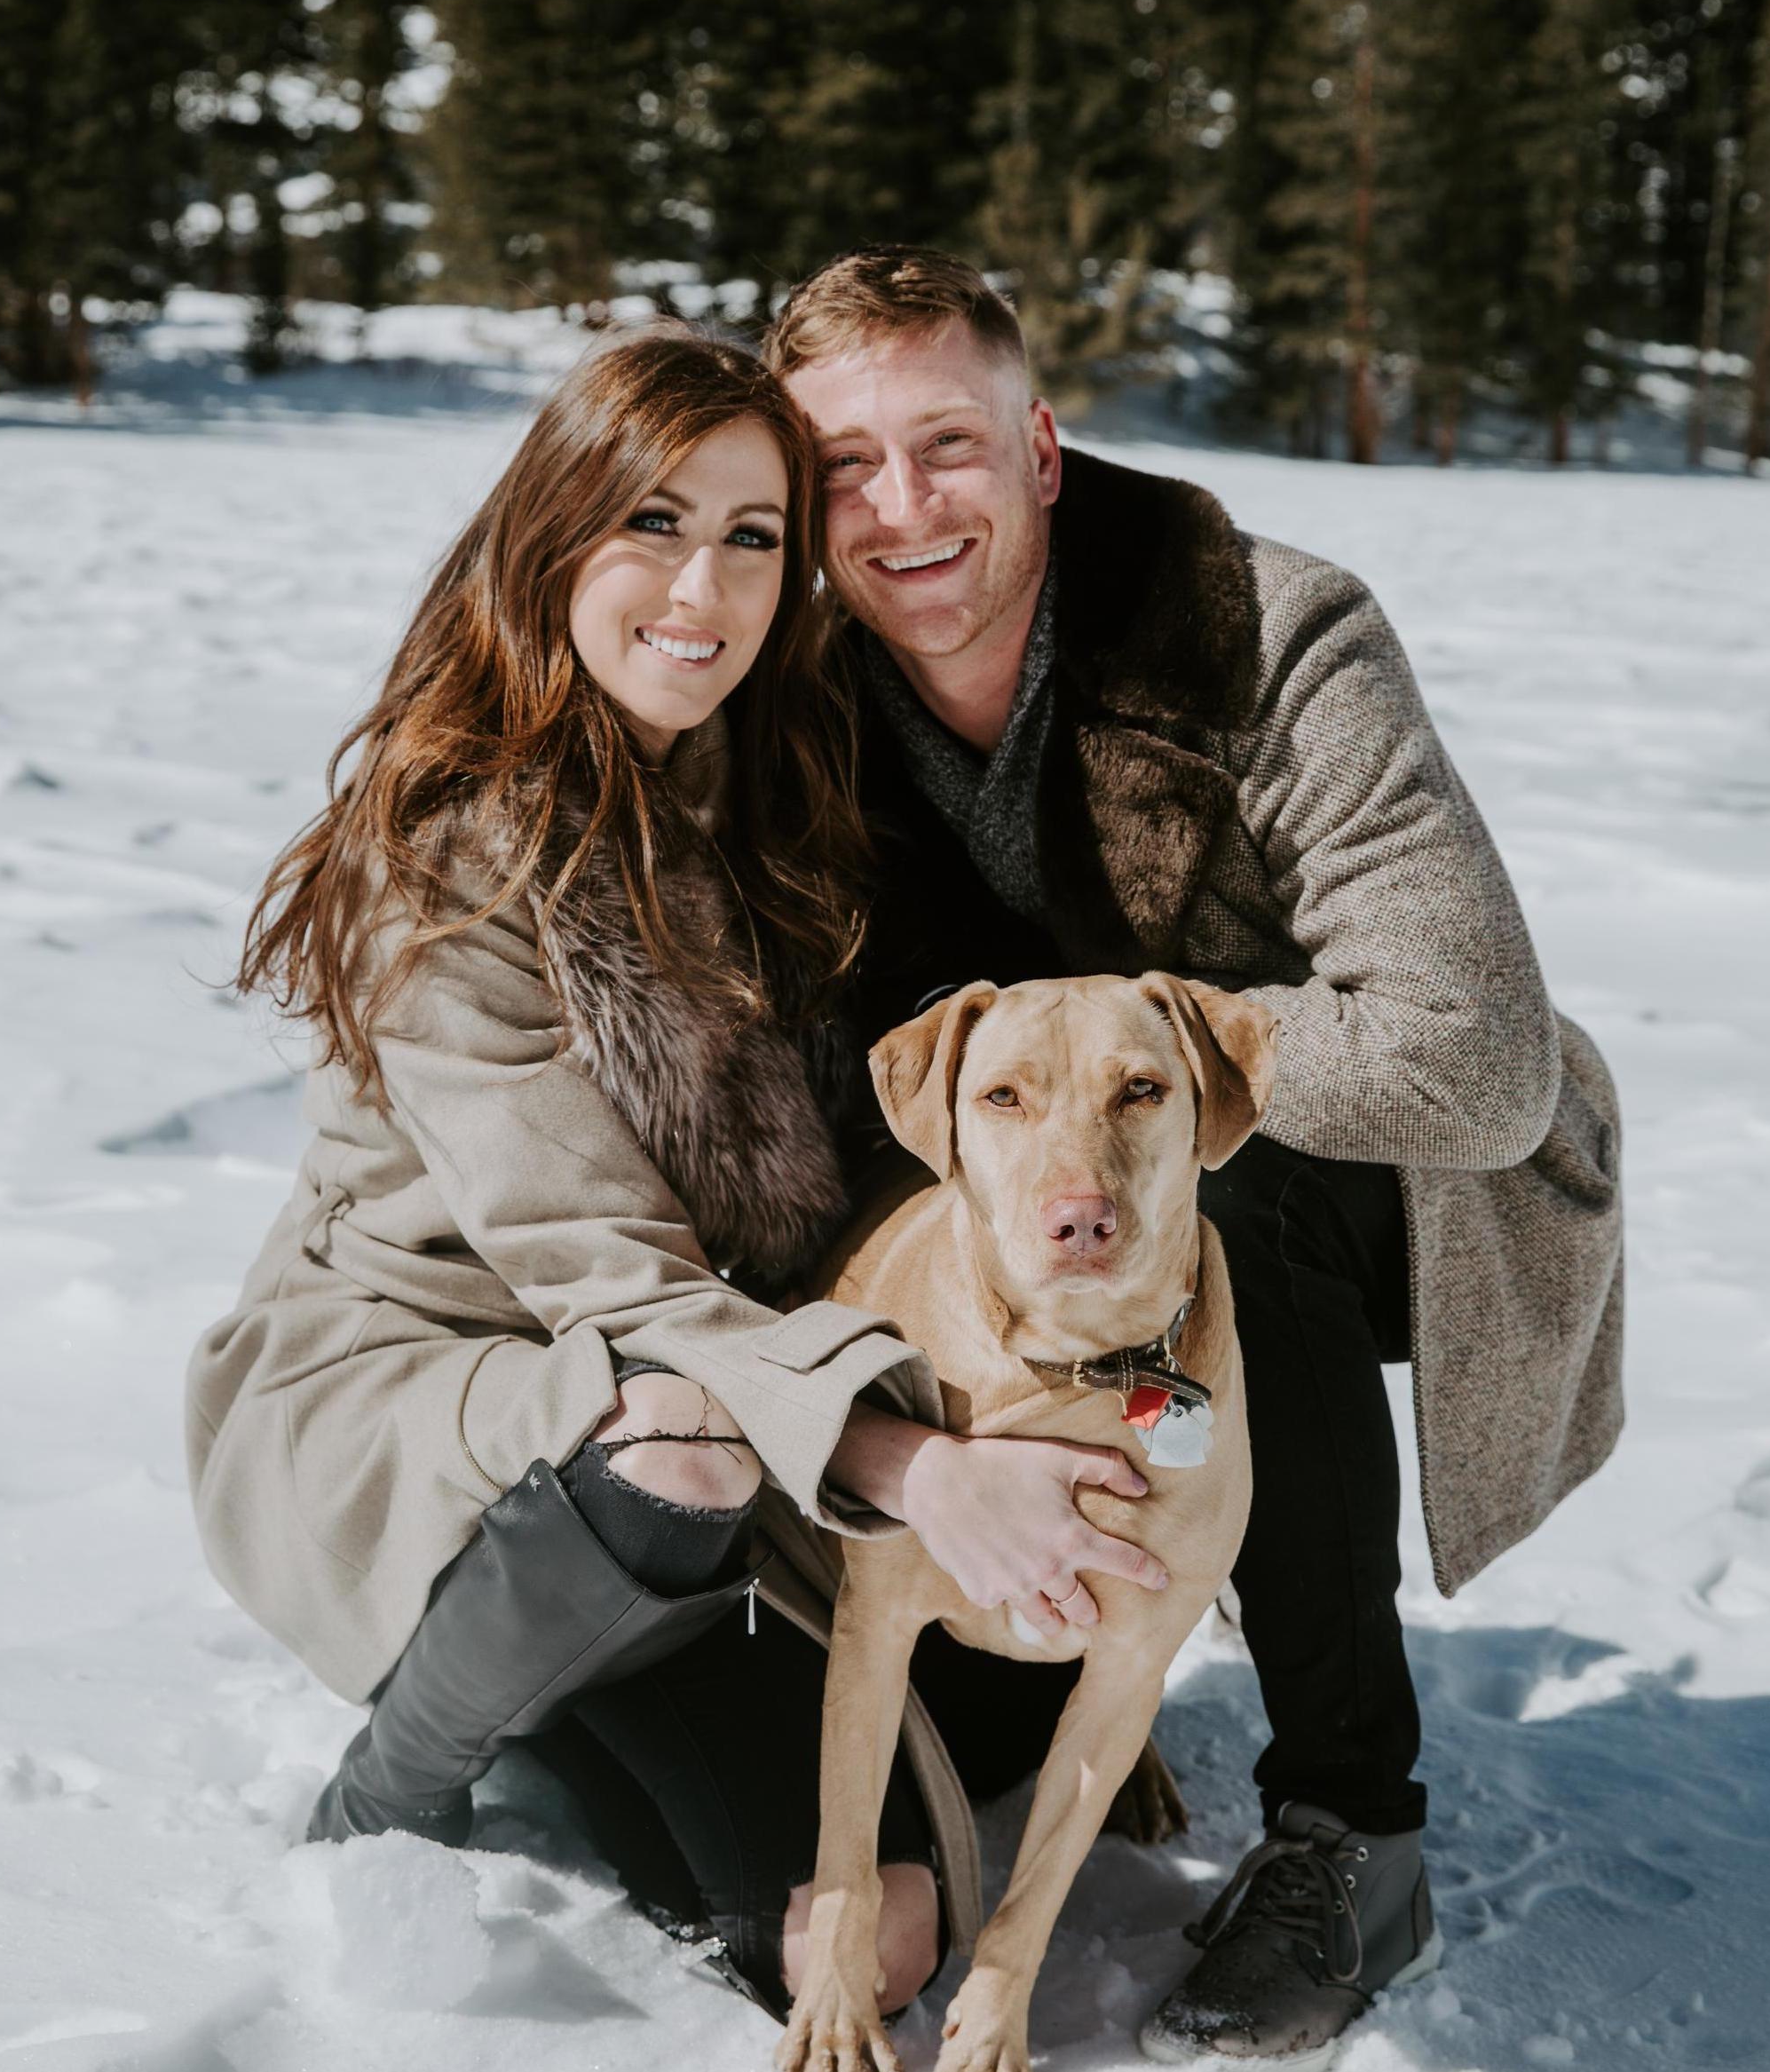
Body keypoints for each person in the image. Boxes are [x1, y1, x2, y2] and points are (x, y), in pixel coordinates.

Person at [185, 326, 1177, 2021]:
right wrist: (917, 1465)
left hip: (717, 1414)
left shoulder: (766, 793)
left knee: (882, 1937)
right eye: (652, 521)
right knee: (683, 1443)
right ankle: (397, 1784)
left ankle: (565, 1704)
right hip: (436, 1397)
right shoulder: (449, 850)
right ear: (553, 532)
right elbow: (604, 1272)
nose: (700, 590)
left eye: (752, 536)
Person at [760, 247, 1626, 2066]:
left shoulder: (1266, 634)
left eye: (949, 443)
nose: (902, 506)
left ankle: (1350, 1832)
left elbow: (1475, 1056)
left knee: (1229, 1188)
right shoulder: (793, 699)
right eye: (845, 466)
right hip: (1006, 1177)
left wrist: (1179, 1070)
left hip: (1383, 1172)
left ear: (1041, 449)